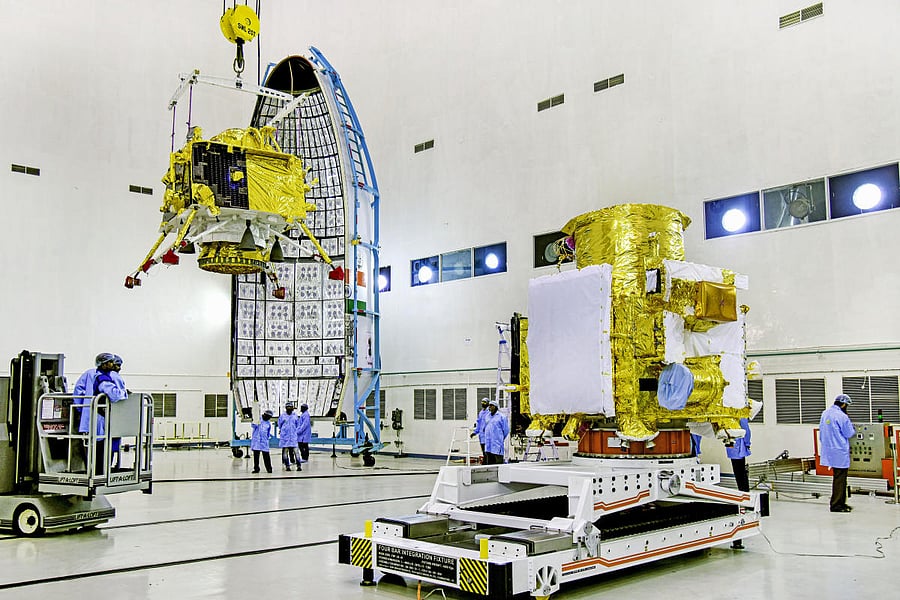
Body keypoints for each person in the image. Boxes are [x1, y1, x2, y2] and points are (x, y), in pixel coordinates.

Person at [76, 353, 127, 475]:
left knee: (96, 446)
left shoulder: (91, 374)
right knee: (102, 446)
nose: (114, 365)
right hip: (101, 418)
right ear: (104, 364)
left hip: (92, 416)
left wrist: (81, 411)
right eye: (111, 363)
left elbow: (78, 393)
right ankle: (101, 473)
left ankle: (98, 472)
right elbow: (115, 395)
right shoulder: (103, 378)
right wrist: (124, 393)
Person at [819, 394, 856, 513]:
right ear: (844, 404)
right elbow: (849, 433)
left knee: (838, 477)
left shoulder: (825, 413)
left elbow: (821, 432)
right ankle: (837, 505)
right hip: (839, 451)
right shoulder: (842, 416)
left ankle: (840, 502)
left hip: (829, 450)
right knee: (840, 479)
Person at [727, 417, 752, 548]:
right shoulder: (740, 415)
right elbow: (746, 431)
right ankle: (744, 494)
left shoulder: (730, 416)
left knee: (739, 473)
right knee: (741, 475)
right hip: (738, 448)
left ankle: (744, 494)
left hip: (733, 448)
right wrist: (748, 444)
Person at [482, 400, 509, 465]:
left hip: (497, 443)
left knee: (498, 463)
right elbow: (485, 427)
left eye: (491, 406)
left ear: (496, 407)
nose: (490, 407)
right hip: (488, 443)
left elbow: (506, 430)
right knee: (490, 463)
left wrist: (500, 438)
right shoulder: (487, 416)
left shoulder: (501, 417)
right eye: (489, 406)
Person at [278, 403, 299, 470]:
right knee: (285, 453)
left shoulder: (295, 416)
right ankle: (287, 466)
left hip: (293, 437)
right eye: (288, 407)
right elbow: (279, 424)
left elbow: (297, 425)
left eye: (290, 407)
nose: (289, 409)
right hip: (285, 437)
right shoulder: (282, 416)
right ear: (286, 408)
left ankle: (299, 466)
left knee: (296, 452)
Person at [296, 403, 311, 467]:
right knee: (302, 445)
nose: (301, 409)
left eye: (302, 408)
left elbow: (304, 425)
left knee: (303, 446)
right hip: (302, 434)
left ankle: (305, 458)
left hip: (303, 433)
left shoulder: (306, 415)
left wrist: (299, 431)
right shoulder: (303, 414)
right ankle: (304, 457)